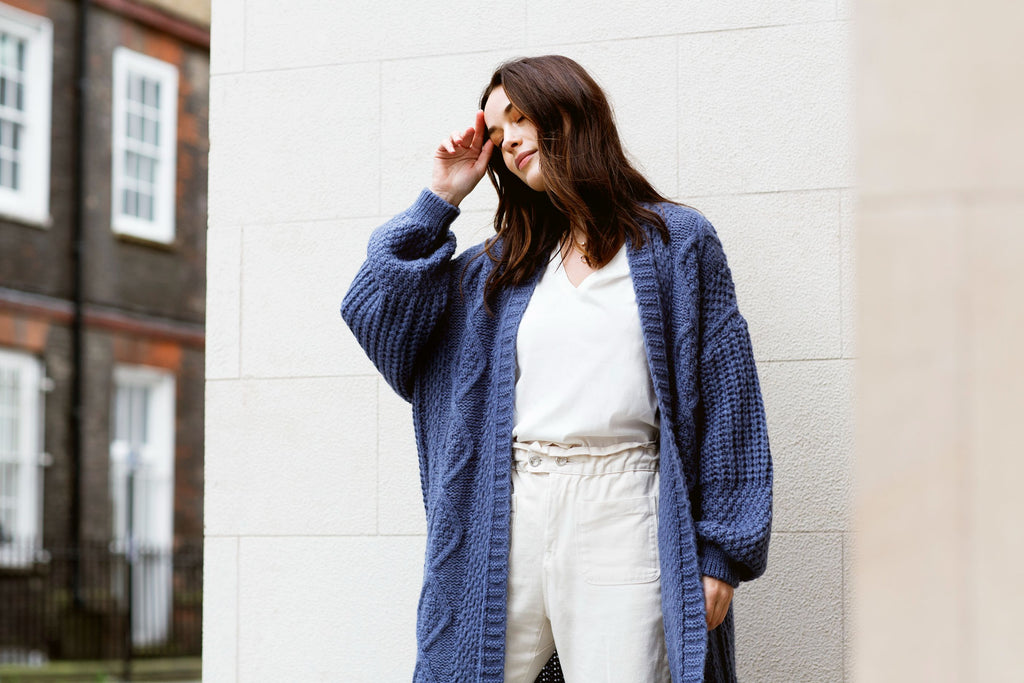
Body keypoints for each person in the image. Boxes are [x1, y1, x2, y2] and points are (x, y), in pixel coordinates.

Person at [341, 55, 772, 683]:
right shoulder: (497, 268)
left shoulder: (679, 244)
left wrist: (721, 555)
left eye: (520, 118)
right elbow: (378, 318)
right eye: (496, 131)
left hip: (624, 506)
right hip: (507, 512)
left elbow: (729, 399)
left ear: (571, 113)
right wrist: (440, 197)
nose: (508, 139)